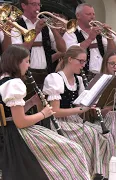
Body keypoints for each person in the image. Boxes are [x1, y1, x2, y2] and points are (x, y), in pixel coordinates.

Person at [0, 45, 90, 179]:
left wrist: (30, 103)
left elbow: (10, 114)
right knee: (74, 150)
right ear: (17, 62)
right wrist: (44, 113)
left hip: (8, 133)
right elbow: (20, 122)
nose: (28, 66)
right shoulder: (14, 84)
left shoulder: (3, 81)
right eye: (27, 61)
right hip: (16, 136)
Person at [42, 45, 114, 179]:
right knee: (91, 133)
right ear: (69, 59)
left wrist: (91, 102)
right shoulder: (55, 78)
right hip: (57, 123)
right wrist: (80, 109)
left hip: (74, 122)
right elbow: (55, 112)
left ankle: (96, 172)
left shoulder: (79, 80)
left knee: (104, 135)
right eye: (80, 61)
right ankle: (84, 174)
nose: (83, 65)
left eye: (85, 62)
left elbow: (82, 109)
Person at [63, 3, 116, 78]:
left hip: (103, 74)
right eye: (88, 14)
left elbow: (112, 53)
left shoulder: (100, 31)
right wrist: (90, 39)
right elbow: (72, 53)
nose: (92, 17)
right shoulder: (70, 33)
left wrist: (109, 37)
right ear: (78, 16)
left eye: (93, 14)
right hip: (82, 75)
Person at [13, 0, 66, 73]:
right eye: (33, 4)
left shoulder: (45, 26)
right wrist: (36, 31)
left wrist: (53, 29)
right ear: (24, 6)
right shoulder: (16, 25)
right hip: (24, 74)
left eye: (38, 4)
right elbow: (18, 52)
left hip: (46, 72)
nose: (37, 8)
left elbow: (62, 49)